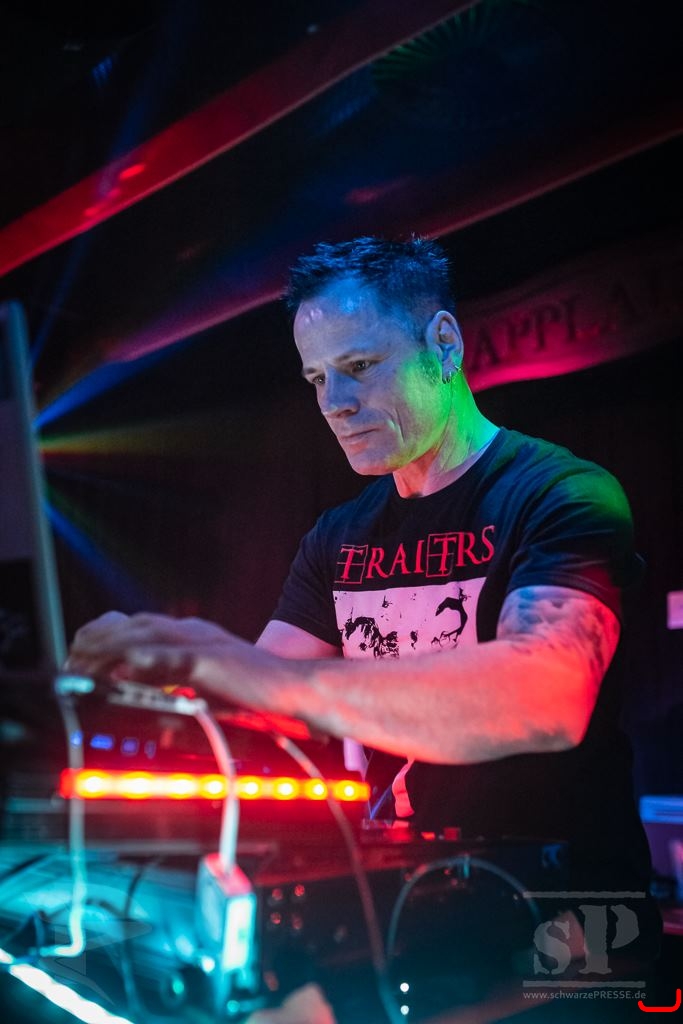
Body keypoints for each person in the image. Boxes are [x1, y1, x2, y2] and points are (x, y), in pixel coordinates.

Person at [67, 237, 659, 1014]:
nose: (333, 403)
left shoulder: (561, 493)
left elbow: (544, 696)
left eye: (358, 366)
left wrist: (236, 665)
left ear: (442, 345)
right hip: (425, 907)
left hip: (571, 922)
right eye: (317, 378)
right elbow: (267, 707)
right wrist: (153, 675)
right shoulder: (338, 536)